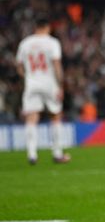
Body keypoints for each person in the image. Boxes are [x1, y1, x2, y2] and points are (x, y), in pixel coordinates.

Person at [15, 17, 70, 164]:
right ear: (48, 27)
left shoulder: (25, 43)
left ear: (35, 27)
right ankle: (57, 154)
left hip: (32, 83)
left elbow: (19, 66)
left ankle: (32, 154)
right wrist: (60, 85)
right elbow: (56, 64)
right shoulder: (52, 42)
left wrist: (28, 77)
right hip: (49, 83)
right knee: (55, 116)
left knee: (31, 118)